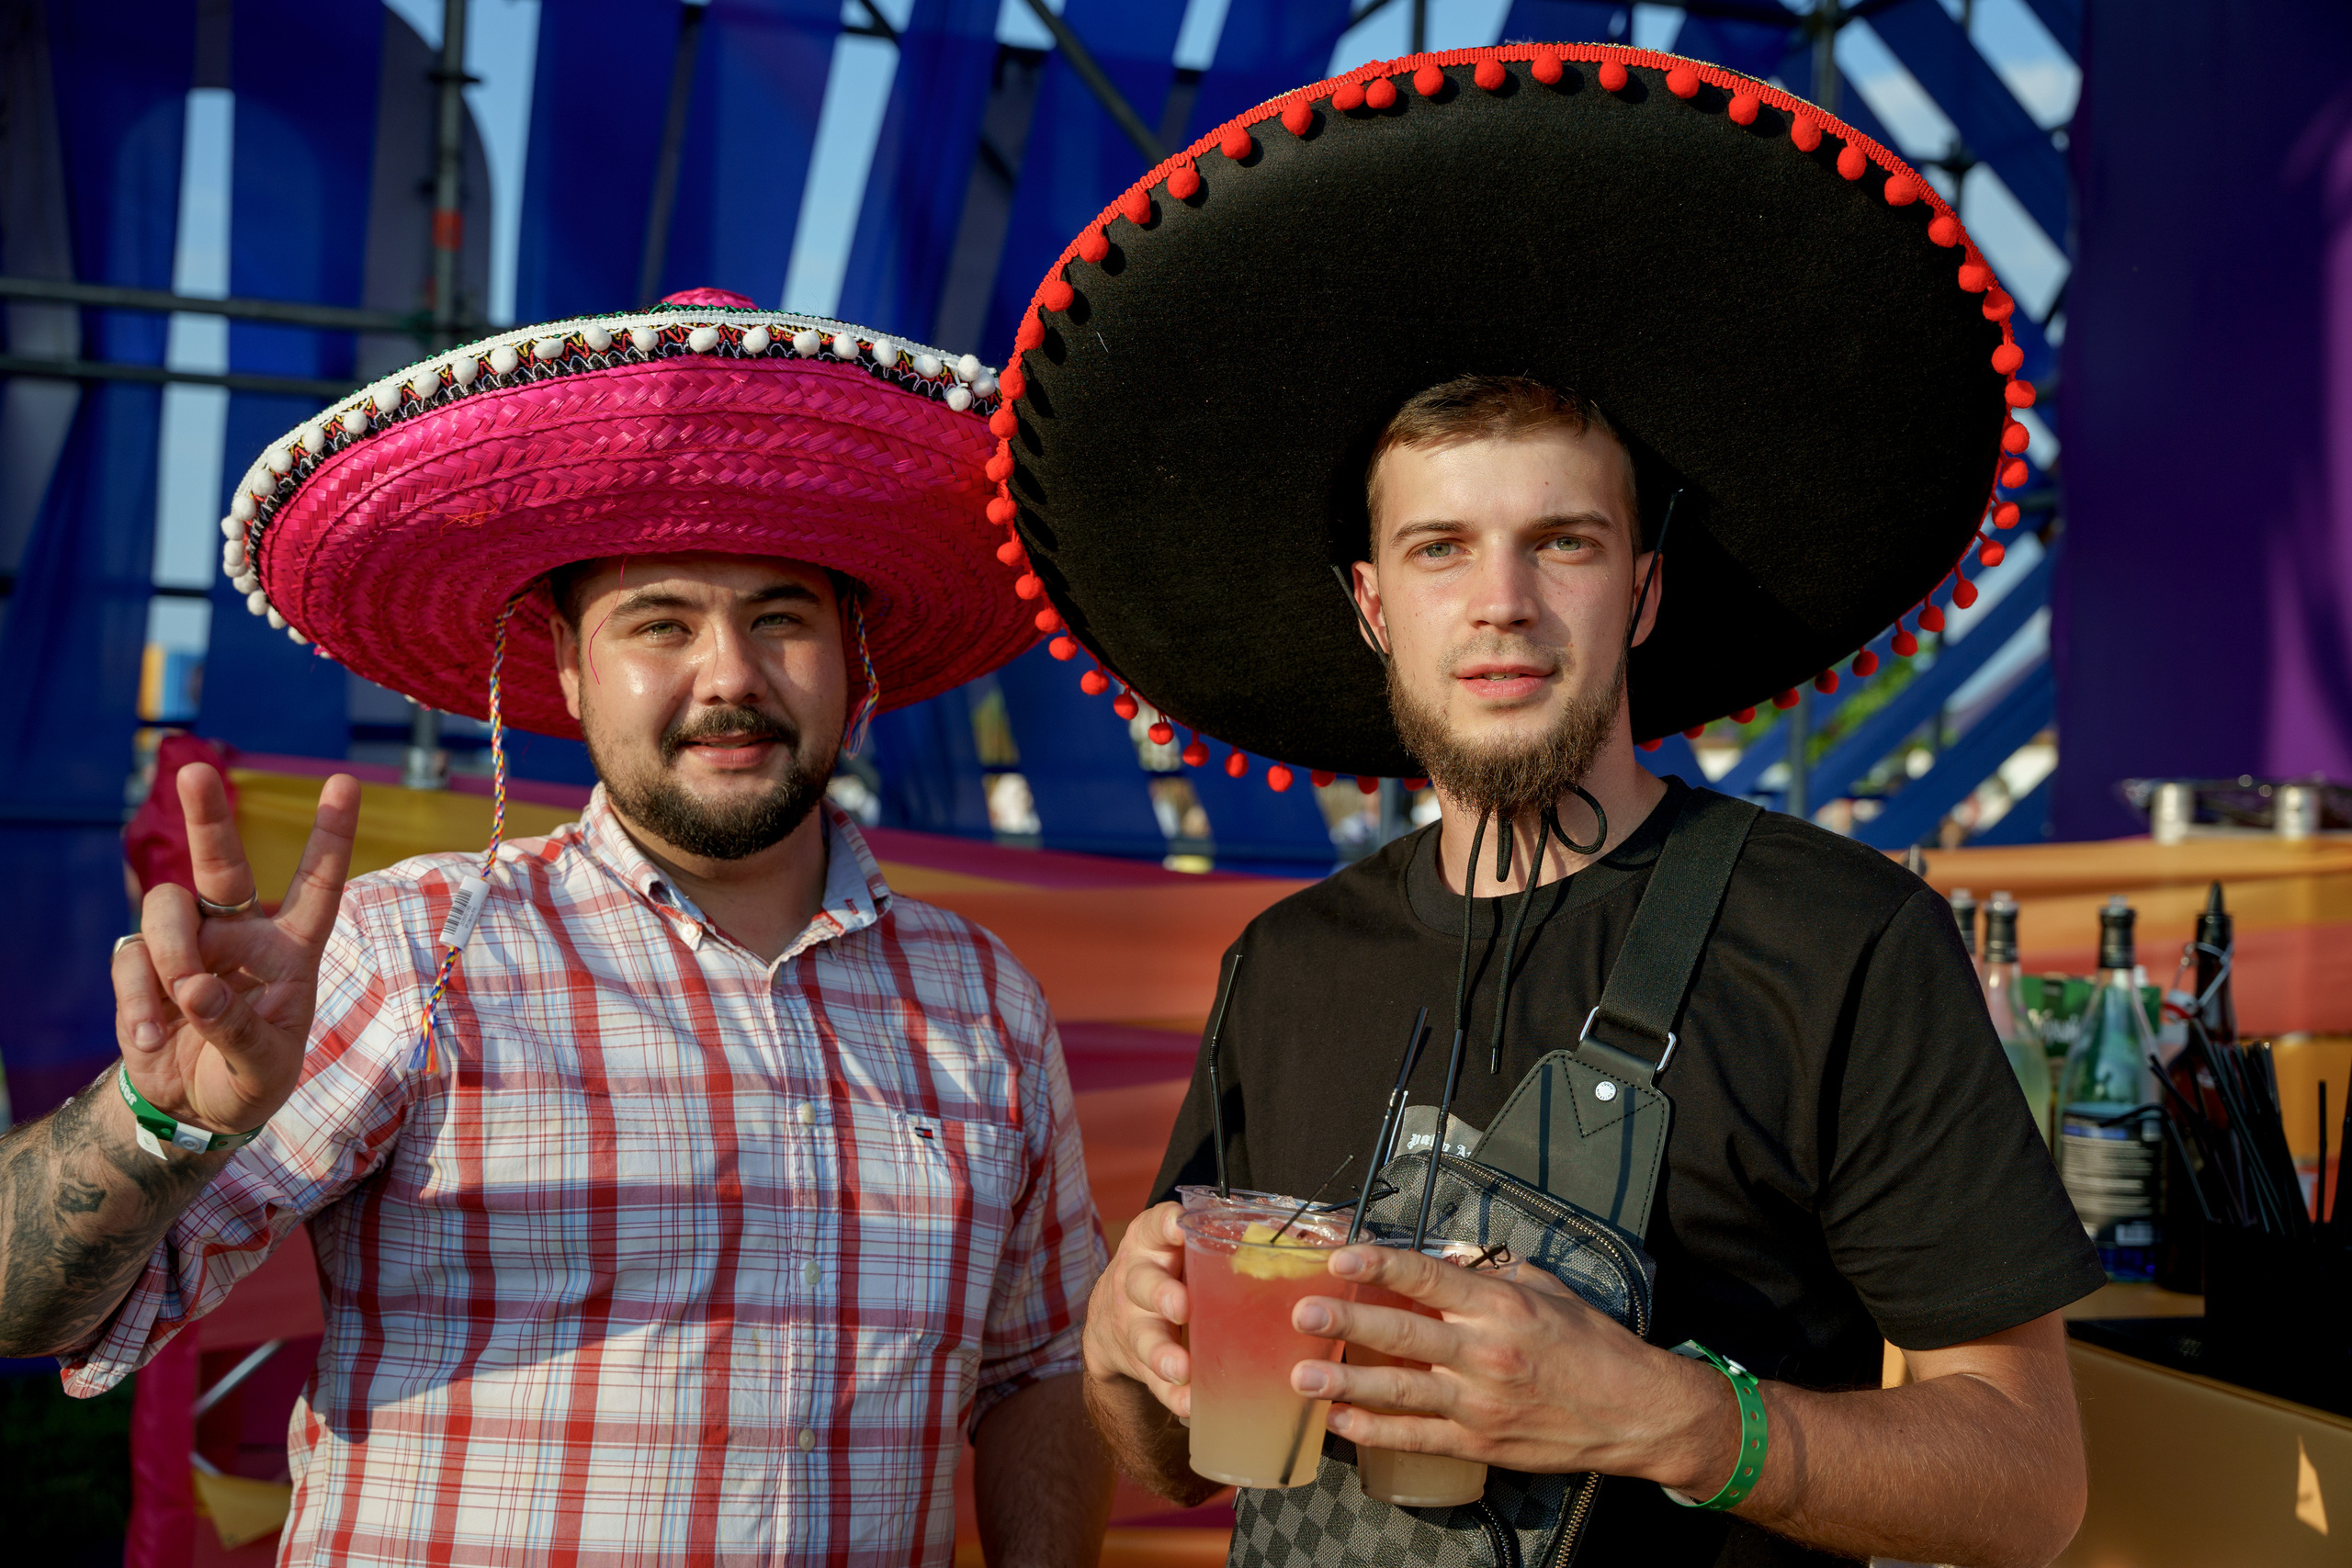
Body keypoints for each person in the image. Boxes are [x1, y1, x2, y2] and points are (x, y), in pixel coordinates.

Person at [975, 47, 2102, 1568]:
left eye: (1559, 543)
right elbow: (1175, 1465)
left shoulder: (1843, 941)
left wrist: (1675, 1420)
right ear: (1375, 608)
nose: (1500, 605)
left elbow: (2031, 1484)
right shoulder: (1287, 965)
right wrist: (1122, 1348)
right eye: (1440, 550)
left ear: (1640, 590)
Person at [0, 290, 1109, 1567]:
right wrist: (157, 1120)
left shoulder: (981, 1001)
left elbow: (1040, 1369)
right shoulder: (417, 951)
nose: (731, 675)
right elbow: (31, 1311)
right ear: (570, 673)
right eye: (661, 623)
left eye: (782, 618)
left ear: (855, 666)